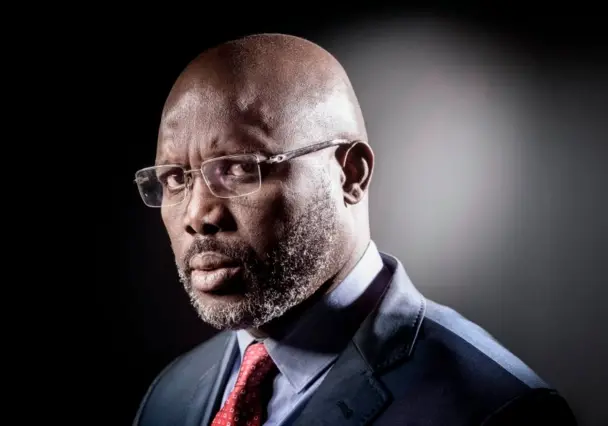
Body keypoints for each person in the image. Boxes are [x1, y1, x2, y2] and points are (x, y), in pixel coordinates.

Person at [131, 33, 576, 426]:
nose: (197, 215)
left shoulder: (499, 410)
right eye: (174, 179)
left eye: (238, 170)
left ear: (350, 173)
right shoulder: (171, 394)